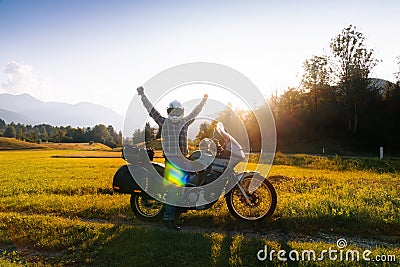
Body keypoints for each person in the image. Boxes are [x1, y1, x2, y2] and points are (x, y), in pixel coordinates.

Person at [137, 86, 208, 230]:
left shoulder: (182, 122)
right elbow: (151, 110)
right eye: (172, 111)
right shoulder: (164, 122)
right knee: (175, 189)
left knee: (190, 184)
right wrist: (142, 95)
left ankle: (180, 209)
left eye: (177, 111)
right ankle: (168, 218)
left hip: (184, 160)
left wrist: (203, 101)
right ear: (169, 112)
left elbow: (195, 112)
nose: (175, 114)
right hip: (172, 162)